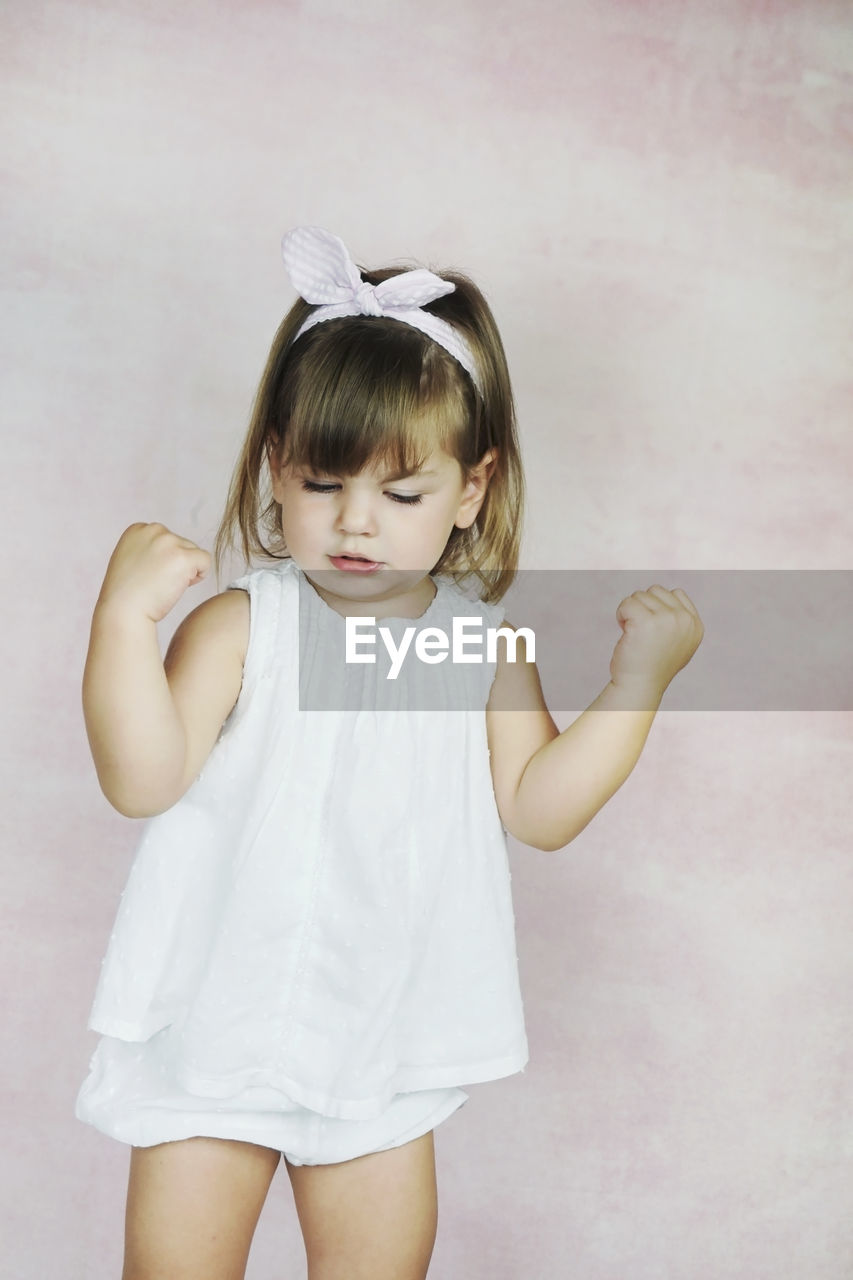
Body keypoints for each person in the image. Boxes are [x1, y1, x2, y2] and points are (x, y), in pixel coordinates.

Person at [76, 226, 704, 1280]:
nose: (355, 522)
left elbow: (541, 808)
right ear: (275, 464)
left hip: (384, 1033)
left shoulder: (481, 646)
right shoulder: (241, 628)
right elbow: (141, 778)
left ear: (470, 488)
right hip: (209, 1026)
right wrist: (120, 624)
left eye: (402, 494)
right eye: (323, 484)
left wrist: (634, 687)